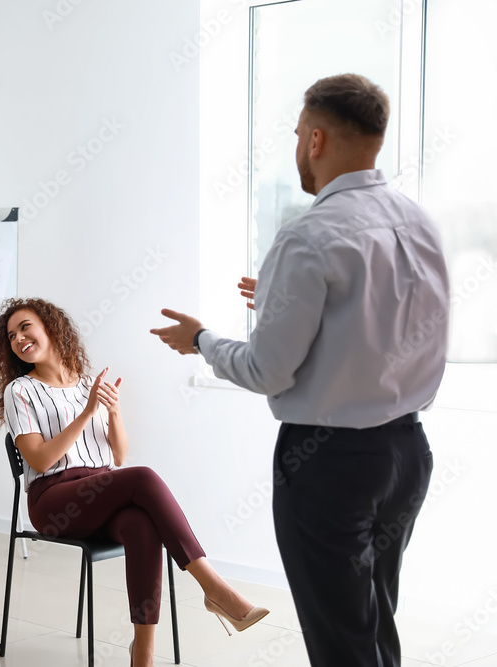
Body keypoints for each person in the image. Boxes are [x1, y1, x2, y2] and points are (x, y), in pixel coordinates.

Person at [151, 74, 449, 667]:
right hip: (407, 454)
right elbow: (388, 320)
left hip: (328, 464)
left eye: (295, 136)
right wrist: (287, 300)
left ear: (315, 139)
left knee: (340, 641)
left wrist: (202, 340)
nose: (296, 150)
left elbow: (266, 370)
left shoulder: (309, 235)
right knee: (371, 620)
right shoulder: (420, 223)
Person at [0, 298, 268, 667]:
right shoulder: (20, 391)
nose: (19, 338)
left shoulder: (88, 383)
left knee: (142, 525)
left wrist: (113, 411)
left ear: (50, 328)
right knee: (144, 477)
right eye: (11, 336)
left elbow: (117, 456)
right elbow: (38, 459)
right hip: (53, 500)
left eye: (26, 327)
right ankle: (212, 586)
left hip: (99, 490)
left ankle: (143, 653)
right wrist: (87, 412)